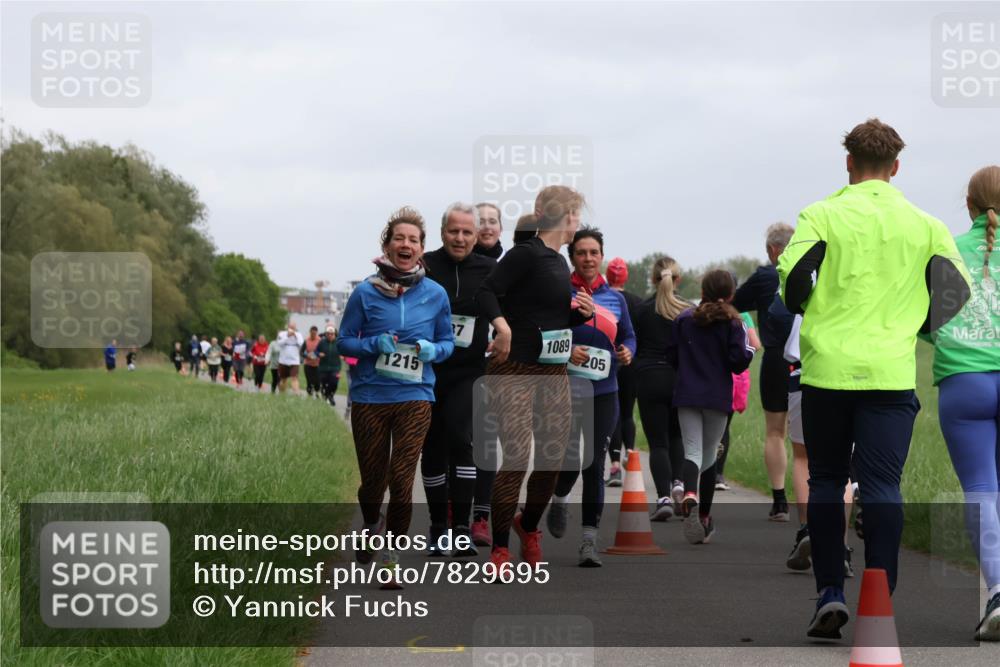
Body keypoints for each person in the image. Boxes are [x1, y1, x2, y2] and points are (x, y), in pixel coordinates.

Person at [778, 118, 970, 639]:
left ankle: (828, 593)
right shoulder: (926, 225)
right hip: (889, 371)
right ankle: (878, 595)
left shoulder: (819, 214)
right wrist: (917, 327)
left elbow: (793, 286)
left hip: (827, 372)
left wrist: (811, 304)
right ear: (896, 167)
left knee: (825, 481)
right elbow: (956, 292)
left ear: (848, 163)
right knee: (884, 485)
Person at [475, 185, 595, 572]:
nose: (578, 221)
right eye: (576, 214)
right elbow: (487, 292)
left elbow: (550, 318)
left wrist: (579, 315)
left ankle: (528, 526)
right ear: (568, 217)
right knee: (516, 456)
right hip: (514, 370)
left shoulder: (560, 263)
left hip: (553, 371)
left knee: (554, 460)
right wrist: (502, 328)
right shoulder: (525, 254)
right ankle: (499, 548)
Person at [337, 206, 454, 586]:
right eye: (399, 238)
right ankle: (372, 523)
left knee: (402, 481)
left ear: (422, 249)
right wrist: (374, 344)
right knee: (373, 483)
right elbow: (344, 342)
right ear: (386, 246)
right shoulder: (364, 293)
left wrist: (431, 351)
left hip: (416, 396)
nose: (406, 244)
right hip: (371, 397)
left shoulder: (435, 294)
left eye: (414, 240)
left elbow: (447, 342)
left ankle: (391, 555)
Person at [922, 165, 1000, 641]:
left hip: (964, 380)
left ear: (968, 205)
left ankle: (997, 593)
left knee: (980, 487)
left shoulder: (947, 250)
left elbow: (926, 323)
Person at [546, 228, 635, 566]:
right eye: (581, 252)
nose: (587, 258)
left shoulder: (616, 298)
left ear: (602, 256)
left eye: (593, 252)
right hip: (567, 389)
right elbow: (547, 337)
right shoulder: (560, 293)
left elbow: (629, 336)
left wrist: (628, 352)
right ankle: (559, 496)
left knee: (595, 462)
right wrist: (568, 351)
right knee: (571, 459)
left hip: (605, 390)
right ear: (573, 257)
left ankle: (588, 541)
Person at [421, 202, 497, 556]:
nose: (461, 238)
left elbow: (513, 308)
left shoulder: (489, 269)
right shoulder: (426, 265)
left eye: (467, 232)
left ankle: (463, 526)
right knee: (433, 444)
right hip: (428, 371)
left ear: (476, 235)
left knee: (460, 435)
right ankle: (439, 527)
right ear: (442, 233)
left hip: (469, 371)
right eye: (454, 231)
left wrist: (505, 333)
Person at [768, 295, 855, 578]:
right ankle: (840, 546)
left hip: (806, 371)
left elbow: (778, 314)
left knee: (803, 457)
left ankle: (807, 528)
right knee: (842, 467)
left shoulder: (809, 268)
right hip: (852, 373)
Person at [667, 270, 754, 544]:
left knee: (691, 450)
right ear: (730, 294)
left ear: (702, 289)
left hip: (687, 393)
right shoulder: (732, 323)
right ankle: (704, 516)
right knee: (709, 454)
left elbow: (671, 354)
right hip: (717, 396)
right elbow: (739, 360)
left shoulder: (684, 319)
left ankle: (689, 492)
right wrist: (750, 350)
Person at [732, 222, 796, 521]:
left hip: (775, 360)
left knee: (775, 432)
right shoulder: (815, 272)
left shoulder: (764, 276)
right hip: (811, 358)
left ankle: (780, 500)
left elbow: (733, 305)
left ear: (772, 250)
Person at [633, 256, 691, 520]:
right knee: (678, 436)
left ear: (653, 279)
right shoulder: (688, 310)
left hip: (649, 377)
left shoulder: (642, 310)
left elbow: (634, 345)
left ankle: (664, 498)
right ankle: (680, 483)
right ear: (677, 279)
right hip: (680, 378)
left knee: (658, 443)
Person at [604, 257, 644, 487]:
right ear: (626, 276)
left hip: (609, 363)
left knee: (614, 414)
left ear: (608, 276)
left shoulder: (604, 300)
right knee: (627, 412)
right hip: (631, 363)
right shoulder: (637, 302)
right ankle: (630, 452)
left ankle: (615, 464)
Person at [715, 311, 762, 490]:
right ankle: (719, 475)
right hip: (737, 377)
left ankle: (706, 473)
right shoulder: (742, 316)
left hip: (713, 374)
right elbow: (756, 345)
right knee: (724, 427)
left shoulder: (707, 311)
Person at [317, 326, 342, 405]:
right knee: (323, 384)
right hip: (323, 368)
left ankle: (330, 396)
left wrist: (343, 355)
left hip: (335, 367)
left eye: (332, 334)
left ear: (335, 334)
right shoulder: (322, 342)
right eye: (328, 334)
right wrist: (319, 354)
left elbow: (345, 350)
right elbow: (315, 351)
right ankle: (325, 397)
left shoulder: (338, 342)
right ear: (326, 334)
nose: (330, 335)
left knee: (334, 383)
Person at [277, 323, 304, 394]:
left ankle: (297, 393)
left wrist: (295, 335)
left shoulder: (298, 335)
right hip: (283, 360)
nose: (292, 329)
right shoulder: (282, 334)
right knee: (283, 379)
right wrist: (287, 336)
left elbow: (301, 343)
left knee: (294, 377)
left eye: (293, 328)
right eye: (290, 327)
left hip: (294, 361)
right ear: (288, 327)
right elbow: (279, 343)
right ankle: (282, 393)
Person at [302, 326, 323, 397]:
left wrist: (320, 354)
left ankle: (317, 393)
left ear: (316, 333)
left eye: (315, 334)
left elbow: (323, 350)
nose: (313, 335)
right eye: (312, 334)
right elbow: (301, 352)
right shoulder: (306, 340)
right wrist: (307, 356)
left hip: (318, 364)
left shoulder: (320, 340)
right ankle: (309, 395)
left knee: (317, 382)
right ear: (310, 332)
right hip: (308, 364)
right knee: (309, 381)